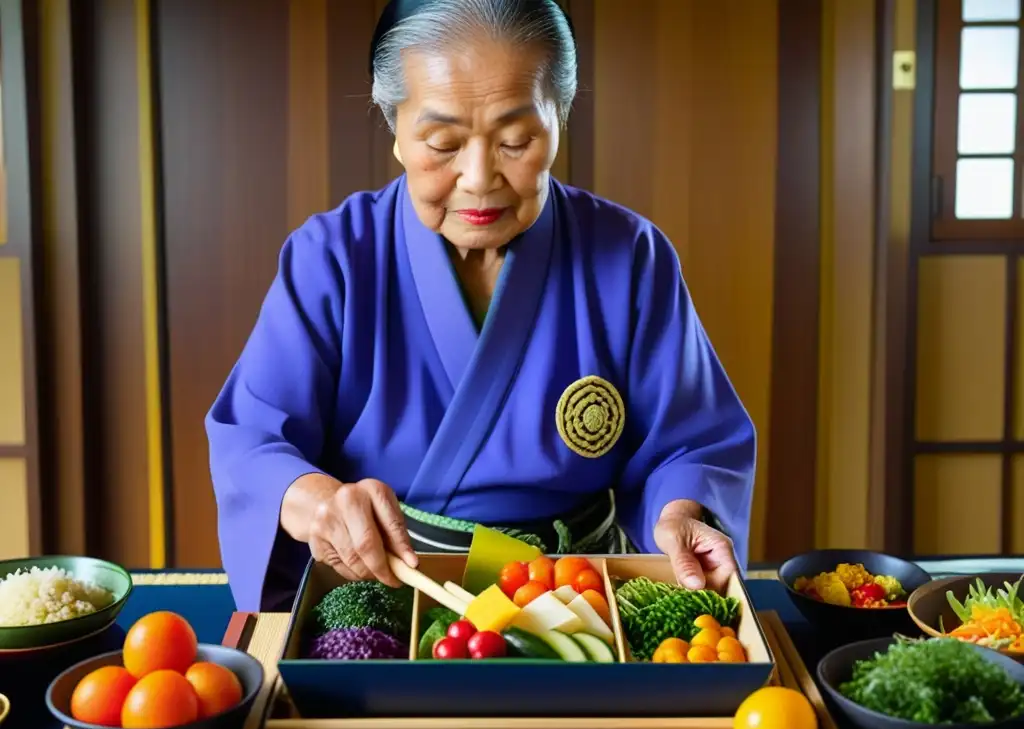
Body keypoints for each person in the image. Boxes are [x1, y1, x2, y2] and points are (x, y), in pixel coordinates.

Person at [206, 0, 757, 613]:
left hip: (577, 599)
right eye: (442, 143)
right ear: (396, 128)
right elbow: (252, 440)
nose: (478, 177)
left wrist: (680, 512)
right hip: (389, 589)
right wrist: (316, 500)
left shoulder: (629, 256)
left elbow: (694, 443)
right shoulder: (331, 257)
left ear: (560, 118)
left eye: (516, 140)